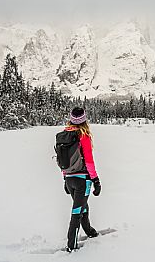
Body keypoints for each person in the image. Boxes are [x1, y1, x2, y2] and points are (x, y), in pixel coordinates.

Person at [62, 107, 102, 252]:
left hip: (69, 178)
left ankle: (89, 230)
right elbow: (89, 161)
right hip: (82, 180)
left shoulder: (65, 135)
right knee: (77, 211)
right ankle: (71, 245)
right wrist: (96, 180)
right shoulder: (83, 136)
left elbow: (63, 160)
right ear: (84, 120)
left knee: (83, 205)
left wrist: (64, 179)